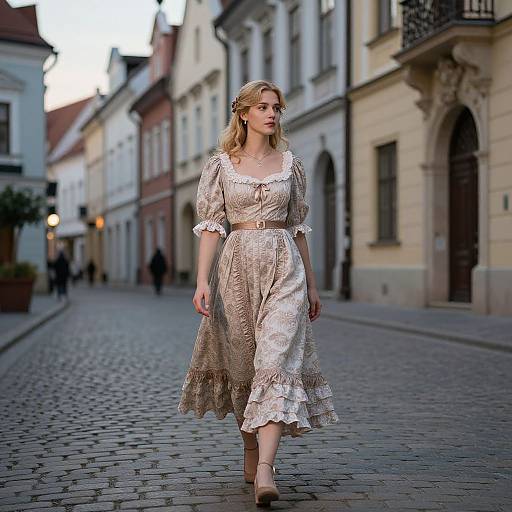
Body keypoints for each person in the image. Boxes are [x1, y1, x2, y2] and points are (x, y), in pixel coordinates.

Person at [178, 80, 339, 506]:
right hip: (235, 269)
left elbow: (299, 229)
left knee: (274, 360)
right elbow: (212, 226)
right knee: (243, 366)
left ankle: (266, 468)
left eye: (276, 108)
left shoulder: (291, 165)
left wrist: (313, 283)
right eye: (263, 107)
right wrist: (200, 281)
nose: (272, 114)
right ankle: (250, 449)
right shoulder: (220, 166)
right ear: (243, 114)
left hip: (284, 267)